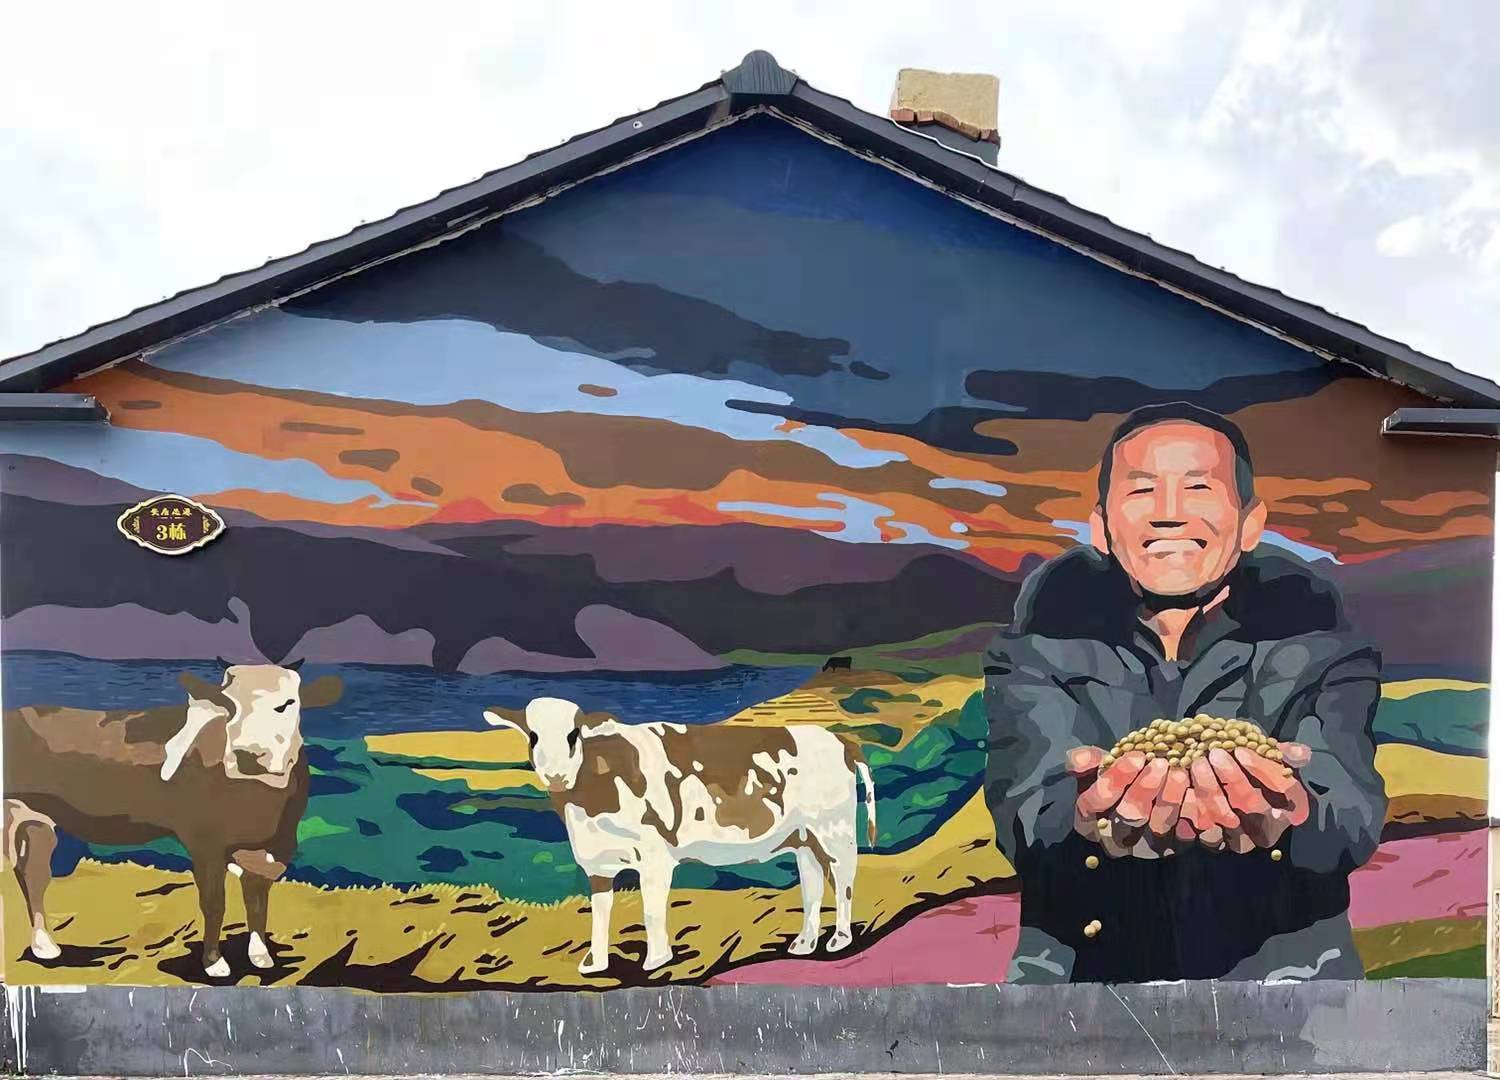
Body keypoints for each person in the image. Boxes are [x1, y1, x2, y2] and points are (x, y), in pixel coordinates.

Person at [983, 402, 1387, 983]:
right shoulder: (1034, 646)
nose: (1169, 514)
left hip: (1288, 982)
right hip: (1082, 979)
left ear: (1250, 523)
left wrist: (1294, 814)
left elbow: (1352, 810)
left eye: (1198, 487)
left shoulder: (1324, 642)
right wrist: (1085, 818)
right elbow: (1023, 814)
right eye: (1142, 490)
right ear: (1101, 527)